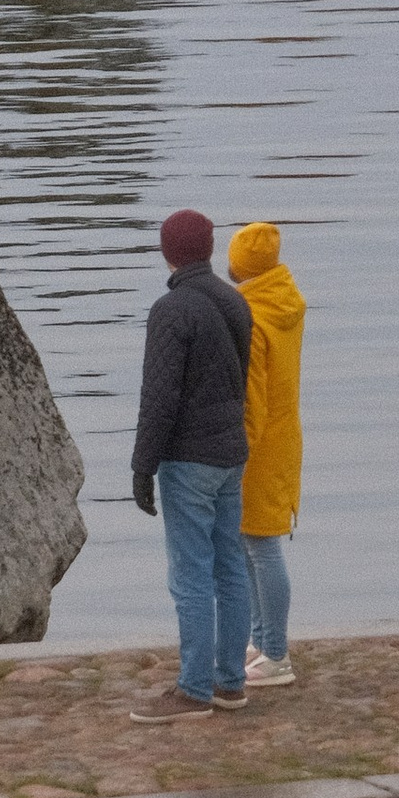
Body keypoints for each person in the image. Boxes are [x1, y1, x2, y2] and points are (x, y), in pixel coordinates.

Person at [131, 206, 254, 715]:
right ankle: (230, 682)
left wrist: (143, 465)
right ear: (208, 248)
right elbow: (238, 377)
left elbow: (159, 396)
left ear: (168, 252)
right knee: (231, 568)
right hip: (231, 453)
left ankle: (194, 689)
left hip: (189, 459)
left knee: (191, 575)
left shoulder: (172, 310)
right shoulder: (235, 302)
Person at [228, 221, 307, 687]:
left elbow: (251, 398)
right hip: (286, 437)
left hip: (259, 446)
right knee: (250, 541)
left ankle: (276, 652)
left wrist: (237, 449)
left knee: (260, 544)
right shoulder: (286, 301)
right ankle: (259, 641)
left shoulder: (253, 319)